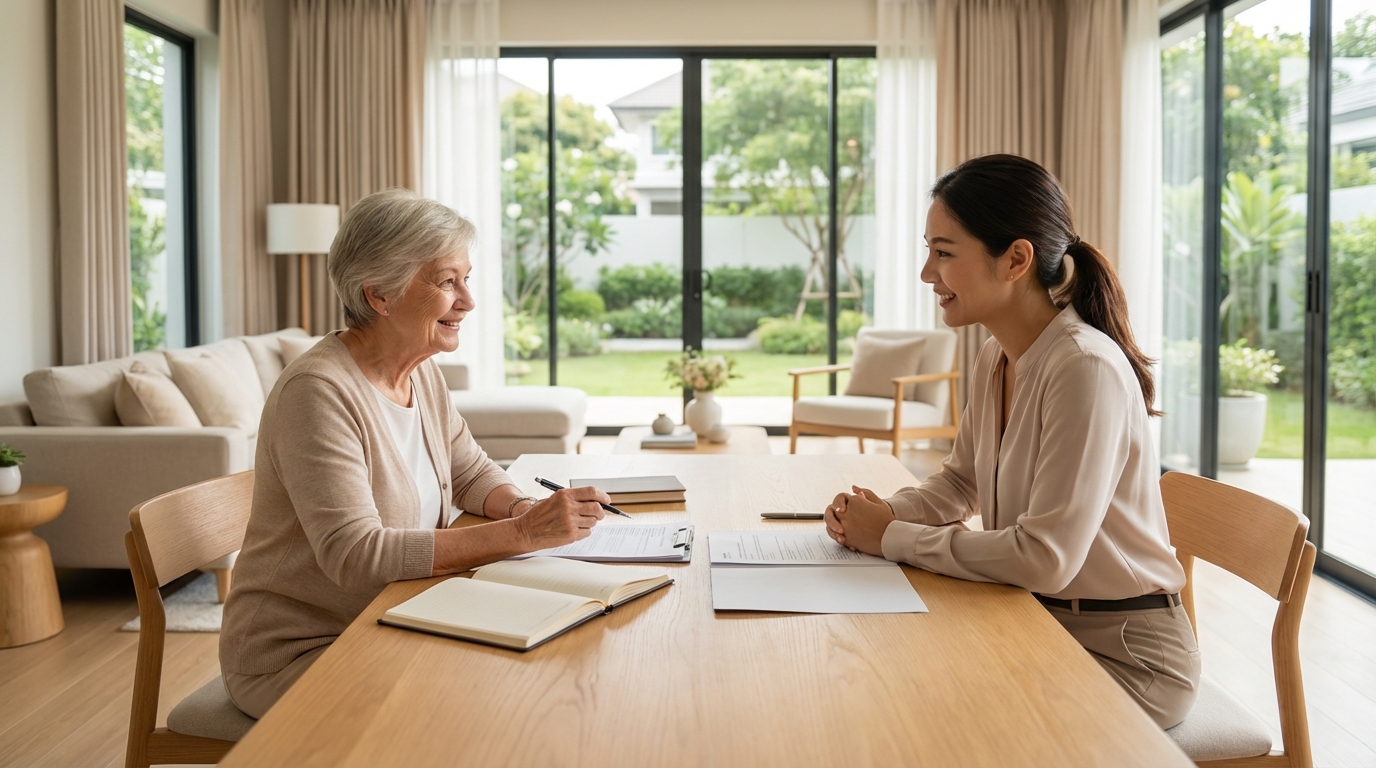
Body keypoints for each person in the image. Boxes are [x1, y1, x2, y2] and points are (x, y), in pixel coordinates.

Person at [823, 154, 1200, 729]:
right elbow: (960, 482)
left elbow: (1043, 558)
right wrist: (878, 516)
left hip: (1124, 653)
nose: (928, 274)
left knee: (922, 718)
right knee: (880, 687)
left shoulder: (1083, 367)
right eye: (929, 250)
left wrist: (894, 537)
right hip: (1034, 618)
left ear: (1016, 259)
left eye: (944, 253)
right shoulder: (997, 355)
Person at [220, 189, 608, 718]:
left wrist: (521, 508)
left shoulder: (419, 371)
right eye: (448, 281)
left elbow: (469, 470)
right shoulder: (317, 393)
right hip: (304, 649)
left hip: (399, 613)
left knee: (547, 675)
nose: (467, 301)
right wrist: (521, 535)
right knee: (479, 710)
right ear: (379, 294)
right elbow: (355, 556)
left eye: (466, 279)